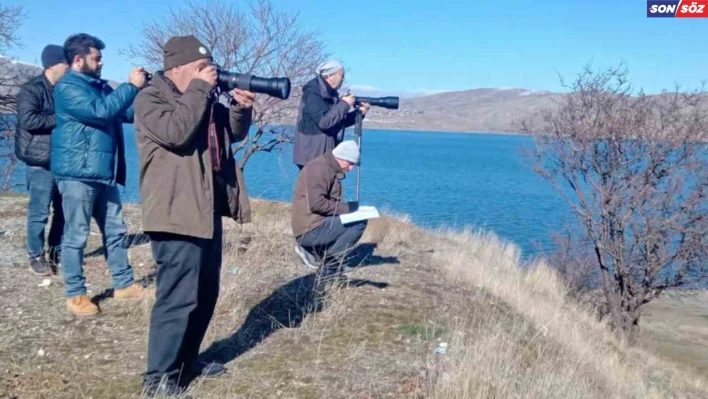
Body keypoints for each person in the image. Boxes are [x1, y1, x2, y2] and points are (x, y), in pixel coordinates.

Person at [133, 35, 255, 397]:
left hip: (206, 208)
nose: (209, 73)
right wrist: (202, 88)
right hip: (174, 211)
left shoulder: (201, 96)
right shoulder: (150, 99)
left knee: (205, 292)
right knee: (177, 298)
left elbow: (232, 133)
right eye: (201, 68)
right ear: (176, 69)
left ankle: (186, 363)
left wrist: (240, 108)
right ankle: (158, 379)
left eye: (210, 67)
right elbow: (177, 133)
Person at [51, 33, 152, 317]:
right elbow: (100, 112)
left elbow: (126, 113)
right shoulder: (68, 87)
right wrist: (130, 86)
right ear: (78, 60)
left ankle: (124, 285)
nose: (101, 62)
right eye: (97, 58)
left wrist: (144, 90)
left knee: (115, 230)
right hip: (77, 174)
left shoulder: (99, 86)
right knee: (76, 235)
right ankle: (75, 294)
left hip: (101, 172)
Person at [291, 140, 367, 303]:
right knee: (359, 222)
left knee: (355, 221)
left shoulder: (325, 166)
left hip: (313, 223)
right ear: (341, 158)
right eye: (350, 163)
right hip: (309, 228)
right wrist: (348, 208)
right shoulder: (320, 169)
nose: (351, 168)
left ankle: (321, 258)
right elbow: (317, 204)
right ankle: (327, 267)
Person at [16, 44, 68, 276]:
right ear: (52, 65)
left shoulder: (66, 88)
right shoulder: (31, 89)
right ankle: (35, 255)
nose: (69, 67)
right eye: (65, 63)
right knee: (39, 212)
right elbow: (29, 121)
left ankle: (56, 252)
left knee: (63, 210)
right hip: (39, 160)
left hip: (63, 159)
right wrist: (62, 118)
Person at [293, 60, 370, 170]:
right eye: (342, 76)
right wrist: (344, 104)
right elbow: (324, 122)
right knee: (315, 187)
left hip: (323, 154)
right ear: (330, 76)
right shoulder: (313, 93)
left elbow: (338, 121)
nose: (343, 79)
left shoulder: (330, 94)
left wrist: (360, 113)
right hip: (312, 157)